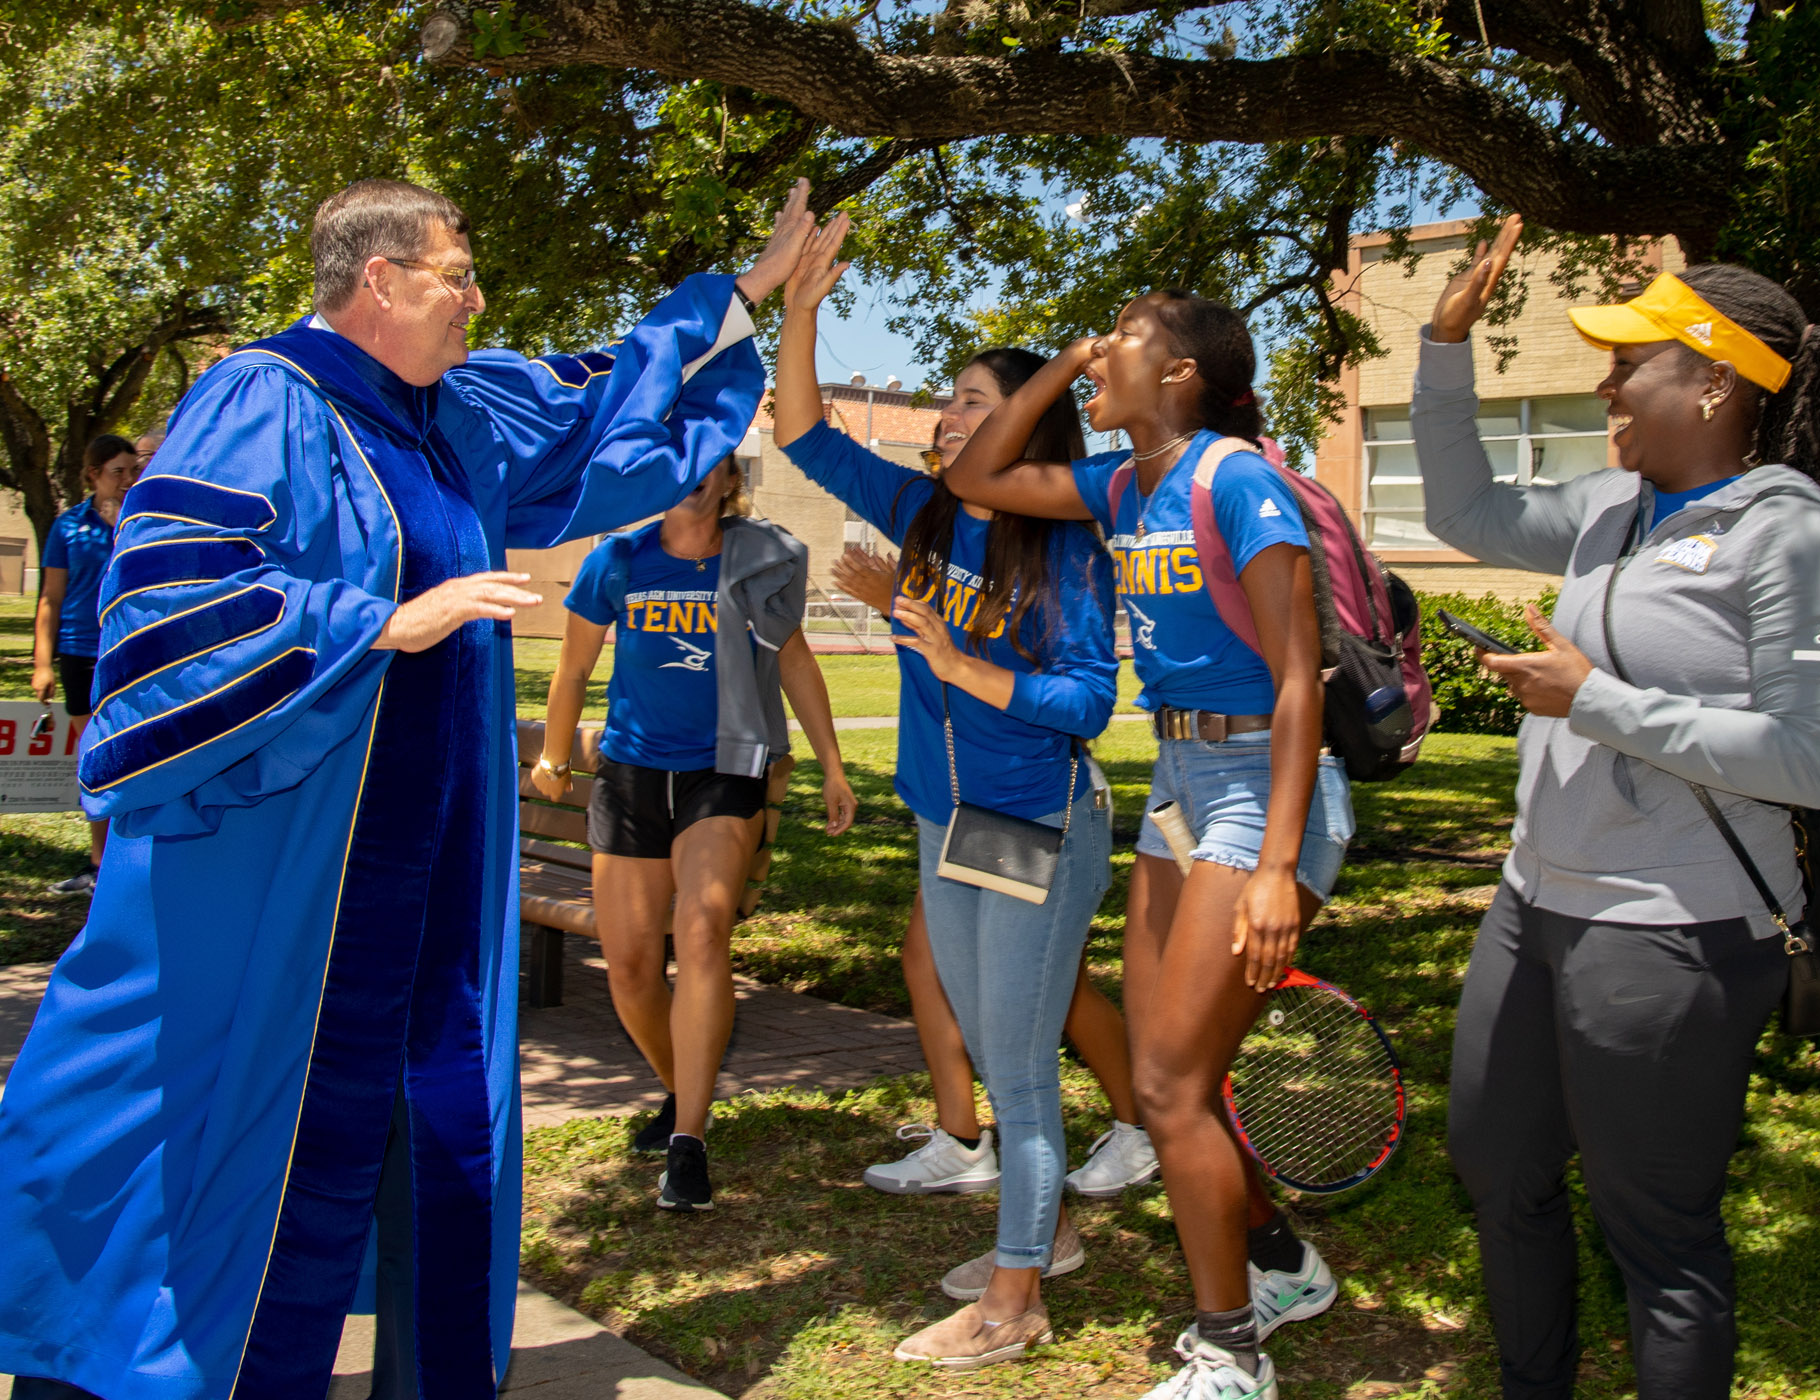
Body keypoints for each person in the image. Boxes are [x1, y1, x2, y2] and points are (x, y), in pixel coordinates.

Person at [0, 175, 809, 1399]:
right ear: (378, 281)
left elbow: (597, 406)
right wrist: (377, 621)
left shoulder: (451, 414)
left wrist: (740, 294)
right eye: (458, 275)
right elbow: (167, 605)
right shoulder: (265, 397)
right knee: (211, 1137)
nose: (479, 299)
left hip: (431, 878)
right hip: (286, 855)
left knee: (424, 1136)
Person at [1416, 219, 1820, 1400]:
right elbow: (1463, 512)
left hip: (1675, 930)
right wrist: (1438, 347)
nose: (1607, 380)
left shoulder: (1800, 536)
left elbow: (1816, 756)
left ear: (1717, 382)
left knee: (1657, 1231)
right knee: (1496, 1166)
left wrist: (1600, 702)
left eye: (1634, 361)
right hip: (1534, 904)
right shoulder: (1610, 506)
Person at [944, 289, 1350, 1400]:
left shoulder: (1237, 478)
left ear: (1179, 375)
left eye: (1119, 340)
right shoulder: (1124, 484)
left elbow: (1298, 677)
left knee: (1168, 1086)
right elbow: (977, 474)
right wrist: (1058, 363)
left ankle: (1230, 1351)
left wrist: (1275, 864)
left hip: (1260, 781)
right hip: (1178, 783)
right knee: (1183, 1075)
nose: (1096, 358)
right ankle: (1280, 1263)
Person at [774, 209, 1123, 1369]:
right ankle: (1048, 1225)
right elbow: (804, 430)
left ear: (1027, 423)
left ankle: (1015, 1299)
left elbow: (1087, 704)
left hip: (1035, 819)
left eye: (978, 403)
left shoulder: (1067, 541)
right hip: (946, 816)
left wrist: (956, 655)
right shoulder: (920, 510)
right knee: (987, 1032)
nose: (951, 417)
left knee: (1017, 1067)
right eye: (953, 400)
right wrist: (801, 307)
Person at [533, 454, 856, 1212]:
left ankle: (687, 1140)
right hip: (632, 774)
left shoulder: (756, 561)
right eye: (676, 462)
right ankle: (685, 1091)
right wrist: (553, 754)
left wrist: (833, 764)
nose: (690, 476)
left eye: (707, 465)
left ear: (728, 484)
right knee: (631, 971)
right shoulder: (617, 560)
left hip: (725, 769)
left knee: (705, 927)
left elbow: (796, 664)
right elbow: (574, 669)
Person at [833, 568, 1152, 1201]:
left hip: (1027, 801)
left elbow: (1007, 668)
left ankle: (1140, 1126)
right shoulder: (956, 540)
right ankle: (963, 1138)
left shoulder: (1046, 556)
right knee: (929, 965)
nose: (941, 466)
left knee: (1058, 991)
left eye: (945, 458)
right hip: (966, 804)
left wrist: (903, 609)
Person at [31, 434, 143, 894]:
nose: (127, 479)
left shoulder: (144, 520)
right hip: (80, 653)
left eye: (132, 470)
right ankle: (98, 864)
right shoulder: (68, 527)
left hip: (131, 650)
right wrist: (42, 663)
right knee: (95, 757)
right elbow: (50, 599)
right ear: (93, 474)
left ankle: (129, 862)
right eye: (117, 471)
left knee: (132, 754)